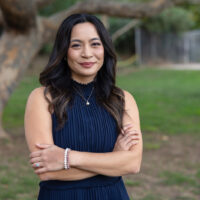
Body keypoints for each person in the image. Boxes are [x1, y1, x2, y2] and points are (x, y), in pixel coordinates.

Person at [24, 13, 143, 200]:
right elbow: (46, 170)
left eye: (95, 44)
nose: (87, 53)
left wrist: (67, 158)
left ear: (105, 49)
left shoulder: (123, 99)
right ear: (64, 52)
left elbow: (132, 164)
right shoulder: (42, 98)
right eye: (76, 45)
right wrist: (113, 159)